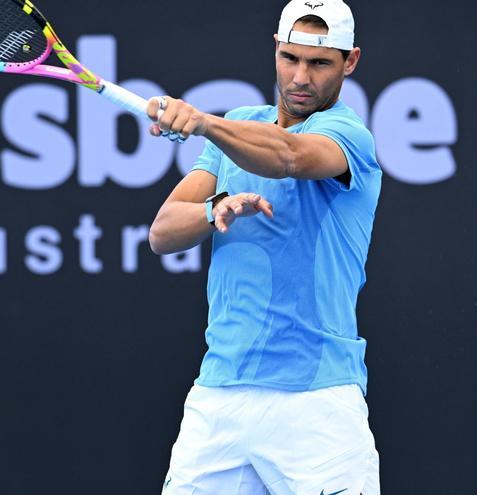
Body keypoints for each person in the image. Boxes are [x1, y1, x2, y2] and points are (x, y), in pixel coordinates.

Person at [146, 1, 382, 493]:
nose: (301, 77)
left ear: (350, 62)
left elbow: (290, 156)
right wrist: (216, 209)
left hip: (317, 404)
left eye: (319, 64)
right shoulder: (240, 126)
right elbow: (163, 232)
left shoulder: (347, 136)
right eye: (290, 58)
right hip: (219, 398)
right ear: (275, 50)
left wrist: (205, 123)